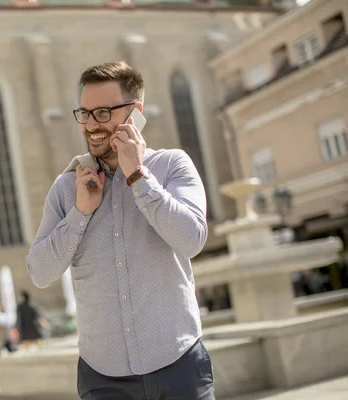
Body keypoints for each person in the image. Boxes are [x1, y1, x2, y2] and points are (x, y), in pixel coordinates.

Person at [26, 61, 214, 400]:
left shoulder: (172, 166)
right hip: (103, 380)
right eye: (83, 113)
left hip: (180, 366)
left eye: (102, 113)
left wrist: (138, 177)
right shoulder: (66, 188)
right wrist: (80, 214)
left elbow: (192, 239)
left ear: (135, 113)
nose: (91, 125)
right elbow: (39, 272)